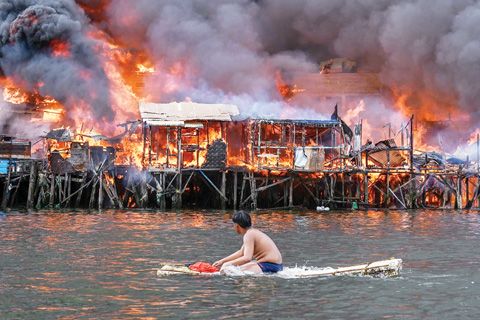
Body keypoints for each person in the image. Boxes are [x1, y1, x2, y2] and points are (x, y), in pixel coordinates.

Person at [212, 211, 283, 274]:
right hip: (277, 265)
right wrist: (222, 261)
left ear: (237, 226)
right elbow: (241, 252)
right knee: (232, 268)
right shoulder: (252, 232)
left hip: (270, 265)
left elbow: (247, 258)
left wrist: (226, 264)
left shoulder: (249, 235)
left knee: (229, 270)